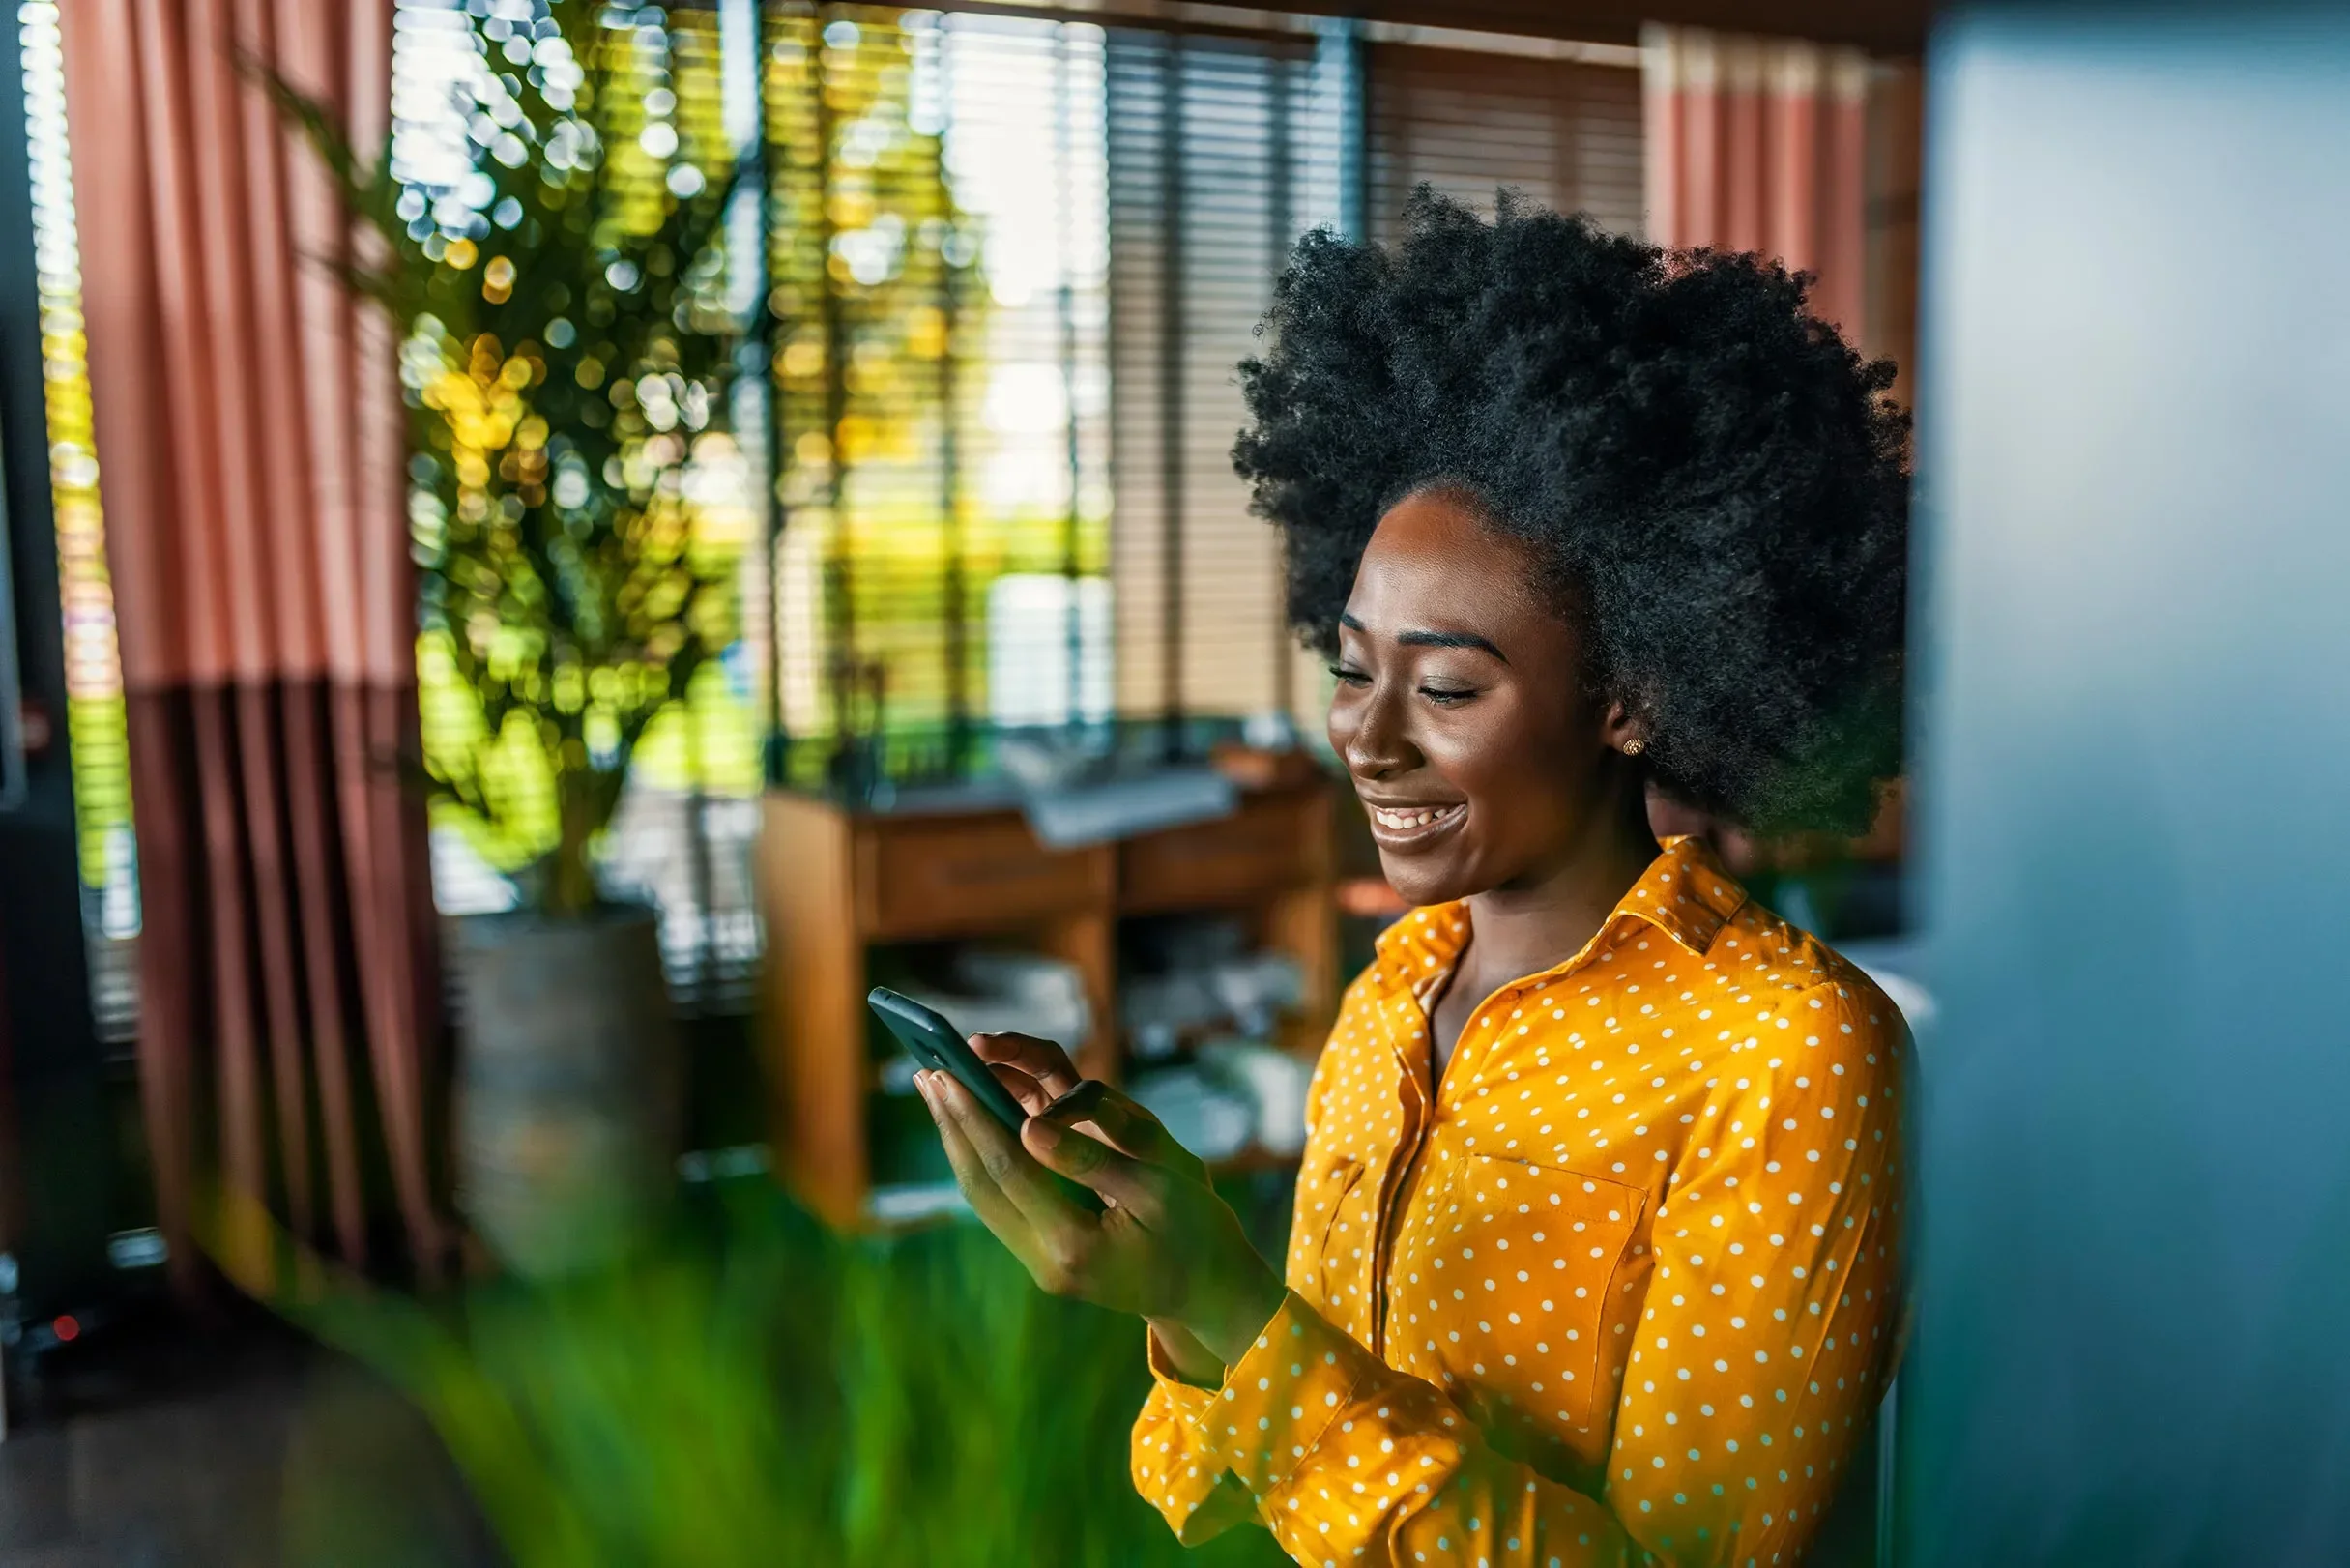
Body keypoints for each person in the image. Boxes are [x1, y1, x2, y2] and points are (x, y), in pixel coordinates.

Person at [913, 189, 1911, 1568]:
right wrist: (1187, 1269)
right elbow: (1218, 1491)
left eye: (1445, 684)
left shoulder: (1785, 1054)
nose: (1365, 738)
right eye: (1349, 666)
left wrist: (1232, 1307)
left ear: (1633, 695)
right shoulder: (1399, 986)